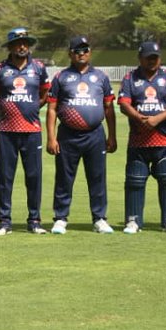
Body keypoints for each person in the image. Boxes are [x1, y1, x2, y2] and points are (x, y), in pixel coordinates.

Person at [45, 35, 117, 234]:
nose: (82, 54)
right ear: (70, 54)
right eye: (77, 50)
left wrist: (112, 136)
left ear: (90, 52)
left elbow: (109, 108)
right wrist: (51, 138)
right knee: (64, 178)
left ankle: (99, 218)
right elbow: (52, 109)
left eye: (85, 50)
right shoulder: (61, 77)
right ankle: (60, 218)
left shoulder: (101, 77)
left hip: (95, 135)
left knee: (97, 177)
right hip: (68, 135)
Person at [0, 27, 50, 235]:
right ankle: (4, 221)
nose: (22, 46)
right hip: (6, 130)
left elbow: (44, 94)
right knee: (5, 177)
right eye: (17, 43)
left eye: (25, 43)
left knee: (33, 176)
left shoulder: (39, 68)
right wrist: (7, 111)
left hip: (32, 131)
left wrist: (30, 110)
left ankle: (34, 220)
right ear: (11, 46)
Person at [117, 41, 166, 234]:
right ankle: (133, 221)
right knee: (135, 181)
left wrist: (157, 119)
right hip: (138, 141)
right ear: (140, 58)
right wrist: (139, 117)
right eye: (148, 58)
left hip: (163, 139)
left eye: (155, 58)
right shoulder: (130, 78)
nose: (152, 61)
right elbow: (123, 104)